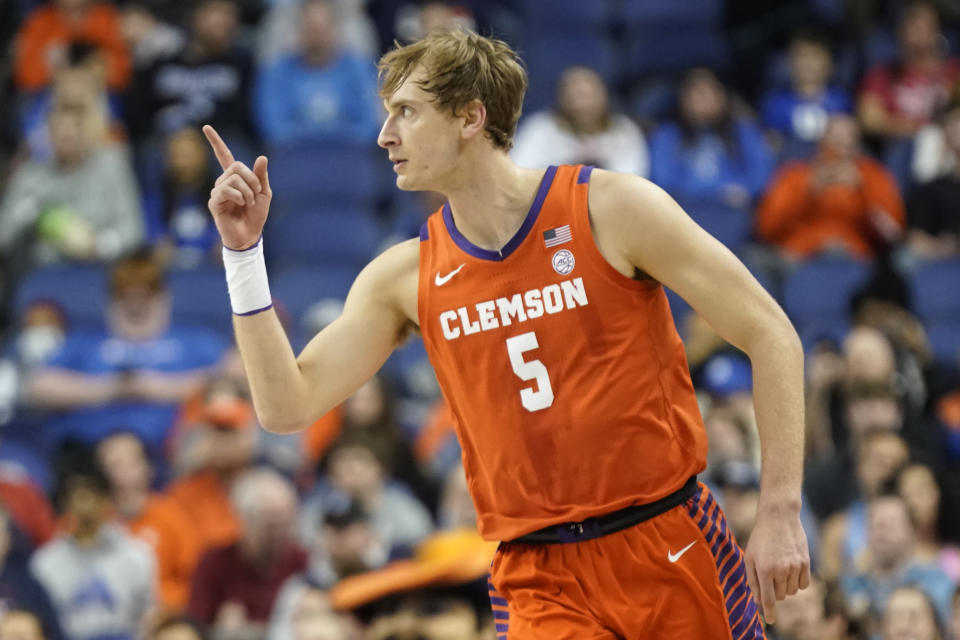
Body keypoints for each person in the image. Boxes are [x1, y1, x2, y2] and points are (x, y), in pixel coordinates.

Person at [202, 28, 810, 638]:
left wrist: (780, 509)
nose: (385, 134)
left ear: (470, 117)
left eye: (406, 112)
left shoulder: (611, 209)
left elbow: (770, 333)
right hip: (536, 572)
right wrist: (243, 254)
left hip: (664, 538)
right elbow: (285, 407)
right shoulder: (403, 275)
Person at [511, 65, 649, 176]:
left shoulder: (624, 130)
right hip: (551, 204)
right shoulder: (541, 128)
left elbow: (636, 178)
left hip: (610, 205)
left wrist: (598, 165)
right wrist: (571, 165)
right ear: (562, 98)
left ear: (604, 96)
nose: (583, 104)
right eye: (576, 96)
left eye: (589, 95)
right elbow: (518, 170)